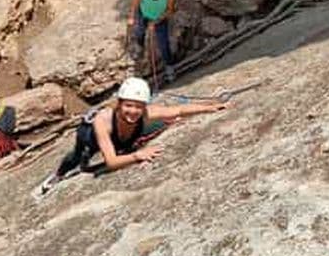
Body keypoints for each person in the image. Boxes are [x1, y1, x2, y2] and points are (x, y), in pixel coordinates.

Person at [39, 77, 230, 193]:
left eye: (139, 106)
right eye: (128, 105)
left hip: (121, 137)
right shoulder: (103, 120)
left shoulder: (144, 113)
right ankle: (58, 175)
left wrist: (210, 107)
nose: (133, 111)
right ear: (120, 103)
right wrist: (138, 156)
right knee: (78, 156)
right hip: (90, 136)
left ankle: (128, 145)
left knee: (162, 122)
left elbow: (178, 109)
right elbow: (112, 161)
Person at [128, 0, 176, 85]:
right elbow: (136, 3)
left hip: (159, 19)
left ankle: (169, 67)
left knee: (163, 44)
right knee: (139, 32)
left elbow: (170, 10)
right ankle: (140, 47)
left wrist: (156, 21)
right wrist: (132, 17)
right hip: (143, 14)